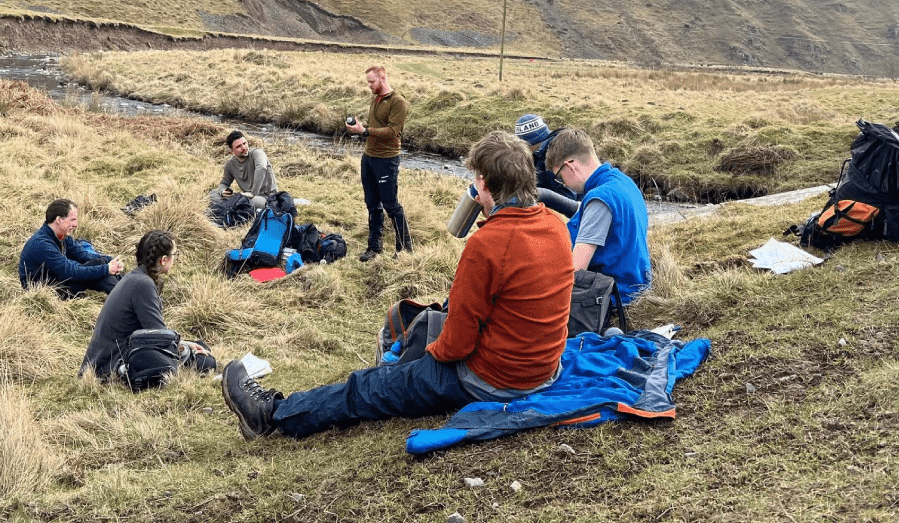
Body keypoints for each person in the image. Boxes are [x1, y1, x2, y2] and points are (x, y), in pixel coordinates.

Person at [221, 130, 574, 440]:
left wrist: (422, 363)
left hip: (495, 379)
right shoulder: (555, 225)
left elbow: (457, 345)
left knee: (369, 387)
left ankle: (271, 415)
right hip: (544, 369)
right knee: (434, 320)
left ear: (483, 182)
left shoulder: (489, 243)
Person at [80, 229, 216, 383]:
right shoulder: (143, 284)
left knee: (199, 346)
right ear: (163, 260)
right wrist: (184, 347)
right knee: (206, 363)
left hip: (103, 359)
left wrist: (185, 344)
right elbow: (159, 336)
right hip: (110, 365)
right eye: (174, 255)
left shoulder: (136, 277)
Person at [544, 128, 651, 303]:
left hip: (613, 298)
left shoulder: (599, 200)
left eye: (560, 177)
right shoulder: (623, 182)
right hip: (634, 285)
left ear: (570, 166)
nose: (563, 184)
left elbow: (575, 270)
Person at [345, 65, 412, 259]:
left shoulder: (398, 102)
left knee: (391, 205)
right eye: (368, 82)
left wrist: (365, 131)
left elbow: (393, 132)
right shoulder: (377, 99)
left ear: (382, 78)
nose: (369, 86)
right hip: (369, 157)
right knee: (372, 204)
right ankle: (374, 248)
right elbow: (376, 127)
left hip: (386, 159)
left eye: (372, 82)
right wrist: (359, 127)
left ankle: (404, 250)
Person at [19, 199, 124, 297]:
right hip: (45, 291)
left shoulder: (61, 236)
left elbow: (83, 255)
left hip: (58, 278)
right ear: (59, 220)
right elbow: (70, 272)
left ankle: (126, 292)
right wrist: (107, 269)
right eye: (72, 220)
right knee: (100, 274)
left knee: (100, 263)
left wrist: (110, 260)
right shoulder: (42, 244)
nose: (76, 225)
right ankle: (126, 298)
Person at [514, 113, 580, 217]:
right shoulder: (547, 152)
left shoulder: (553, 157)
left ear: (526, 144)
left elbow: (568, 199)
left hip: (564, 219)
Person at [209, 130, 278, 219]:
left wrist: (253, 193)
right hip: (246, 197)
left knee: (242, 201)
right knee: (212, 194)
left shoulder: (257, 153)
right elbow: (224, 183)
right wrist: (223, 191)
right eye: (239, 146)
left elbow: (261, 168)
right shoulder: (230, 164)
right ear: (231, 150)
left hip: (268, 199)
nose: (244, 147)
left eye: (244, 143)